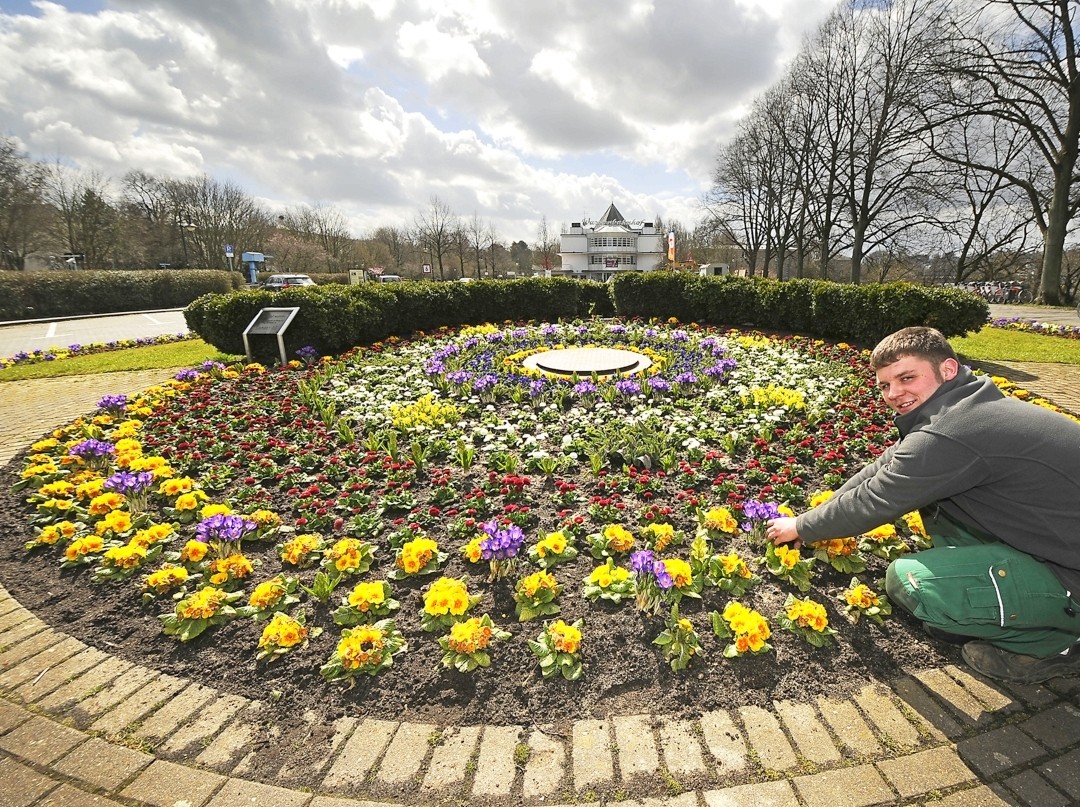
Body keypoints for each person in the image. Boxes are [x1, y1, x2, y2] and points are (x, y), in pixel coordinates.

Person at [766, 326, 1080, 684]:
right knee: (943, 512)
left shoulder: (954, 432)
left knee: (909, 581)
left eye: (907, 377)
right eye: (885, 385)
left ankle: (1055, 643)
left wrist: (801, 528)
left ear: (947, 369)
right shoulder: (969, 406)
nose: (893, 393)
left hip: (1072, 573)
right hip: (1061, 545)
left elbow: (876, 497)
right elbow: (883, 467)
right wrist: (817, 512)